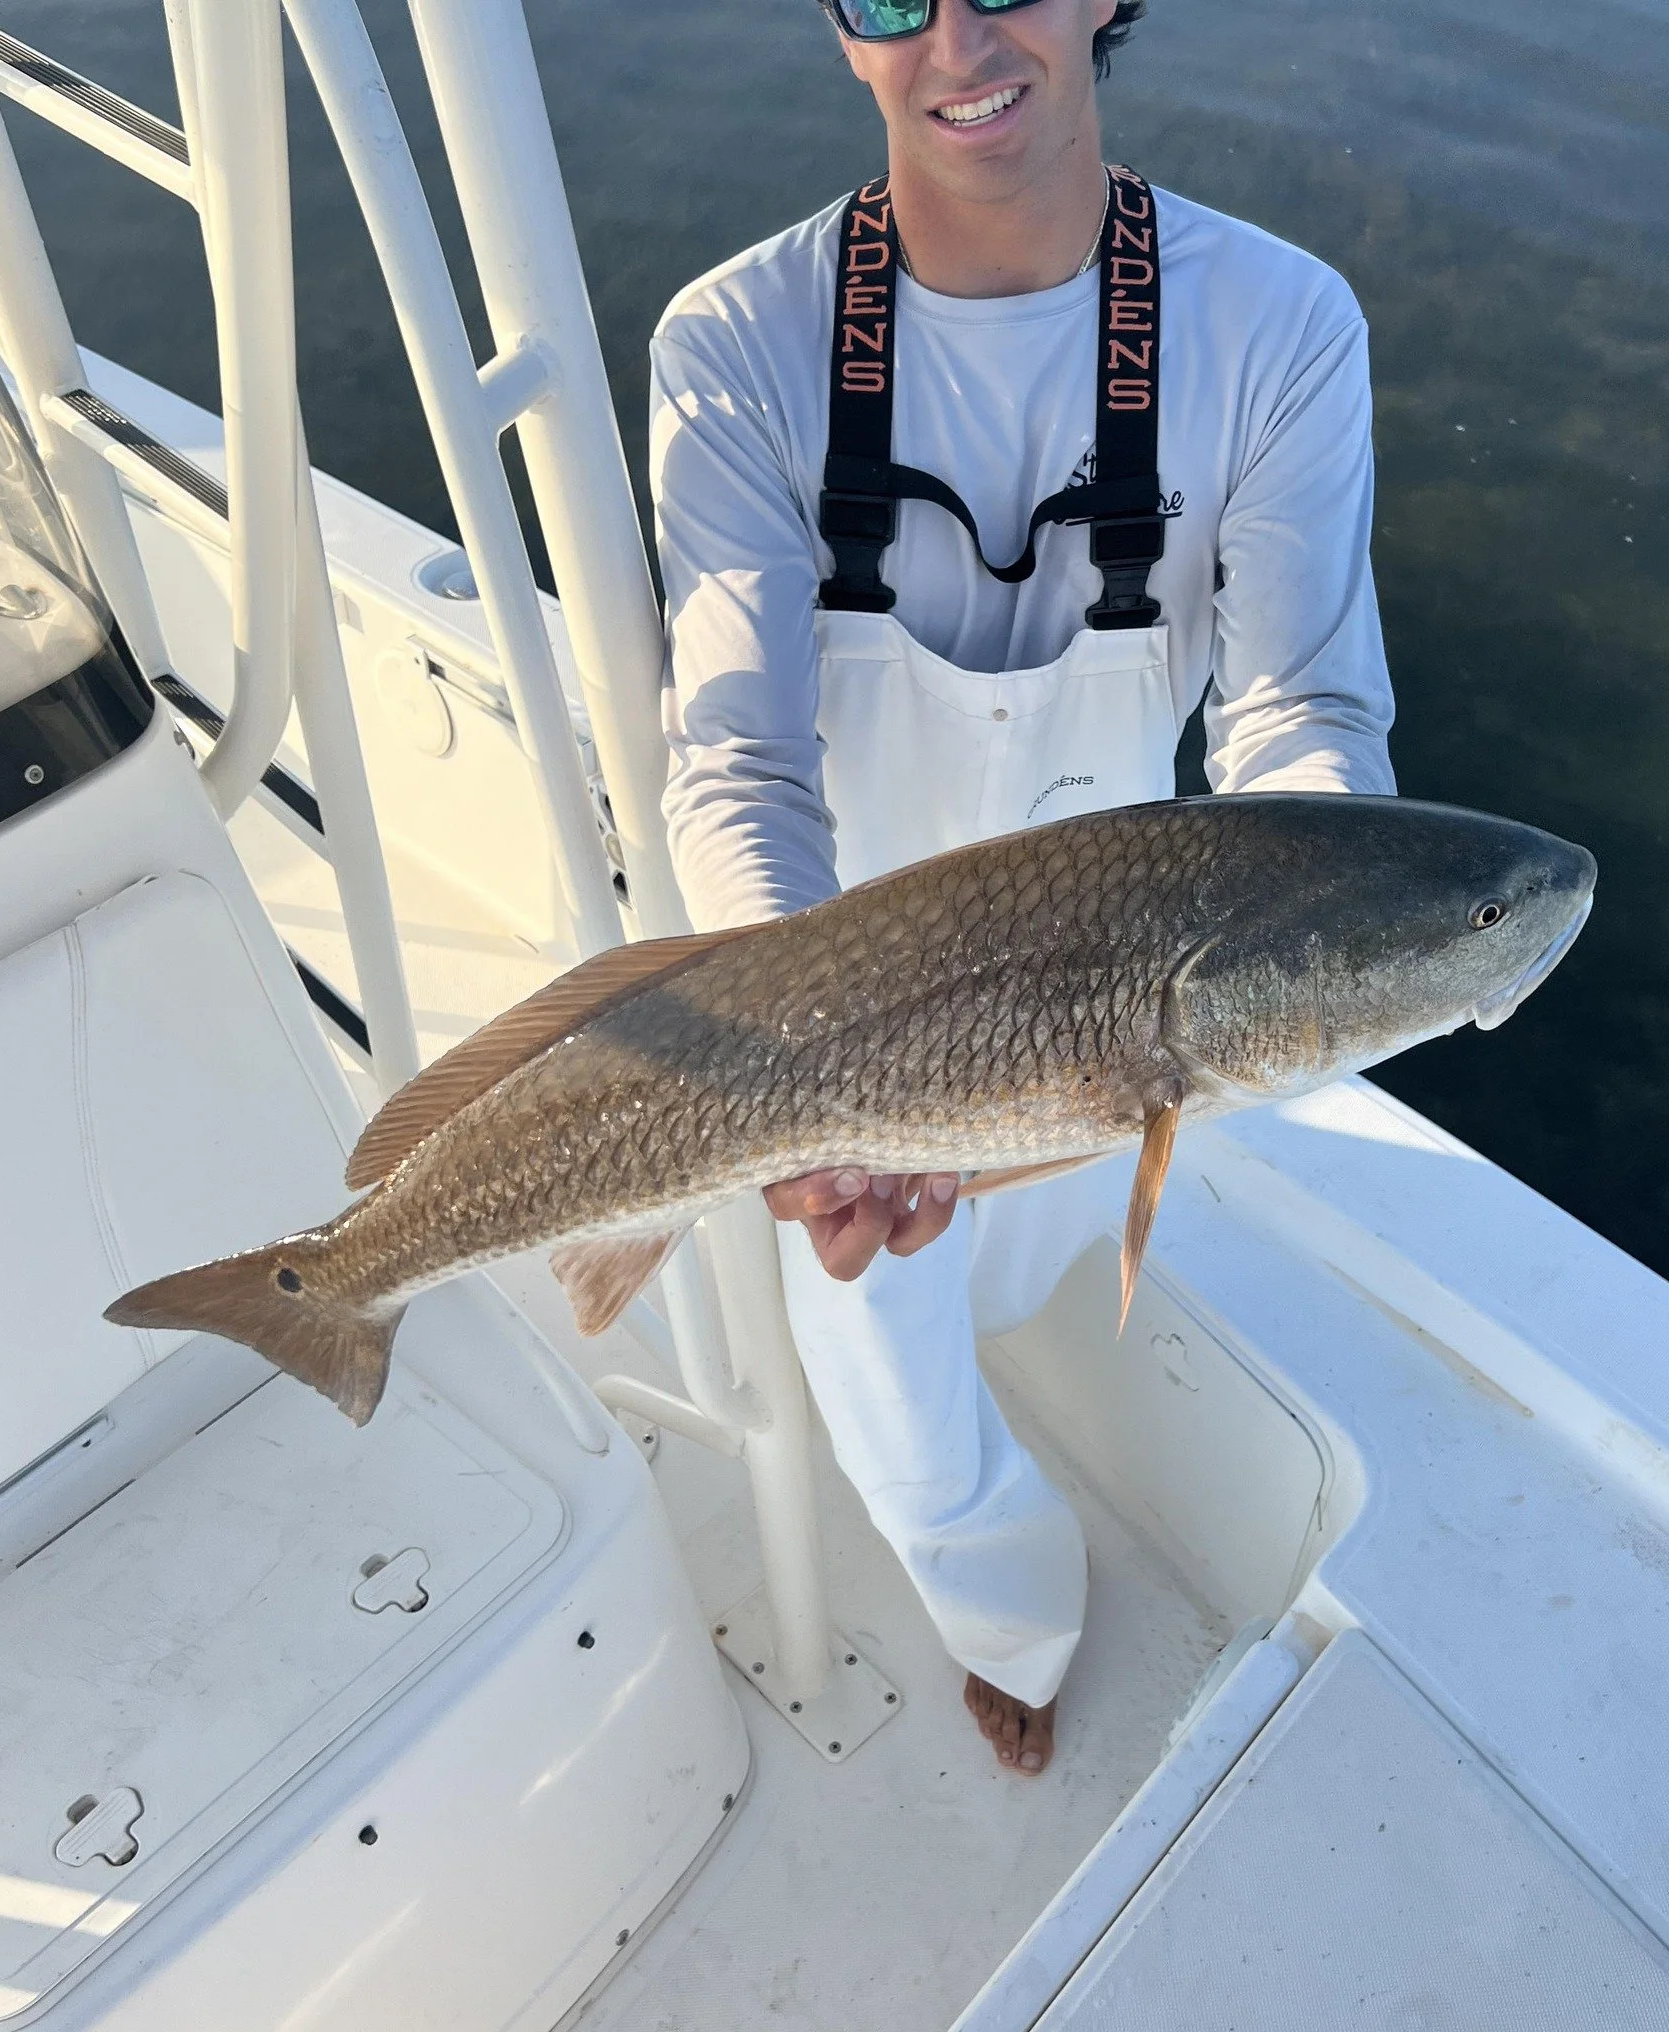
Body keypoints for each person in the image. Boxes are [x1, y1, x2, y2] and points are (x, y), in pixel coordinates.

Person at [648, 0, 1395, 1776]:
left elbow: (1299, 715)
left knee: (1058, 1242)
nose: (957, 40)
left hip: (1120, 977)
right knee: (885, 1366)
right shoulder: (736, 338)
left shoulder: (1276, 323)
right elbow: (738, 762)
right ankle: (1005, 1612)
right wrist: (798, 1071)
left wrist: (1324, 941)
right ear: (840, 31)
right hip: (821, 970)